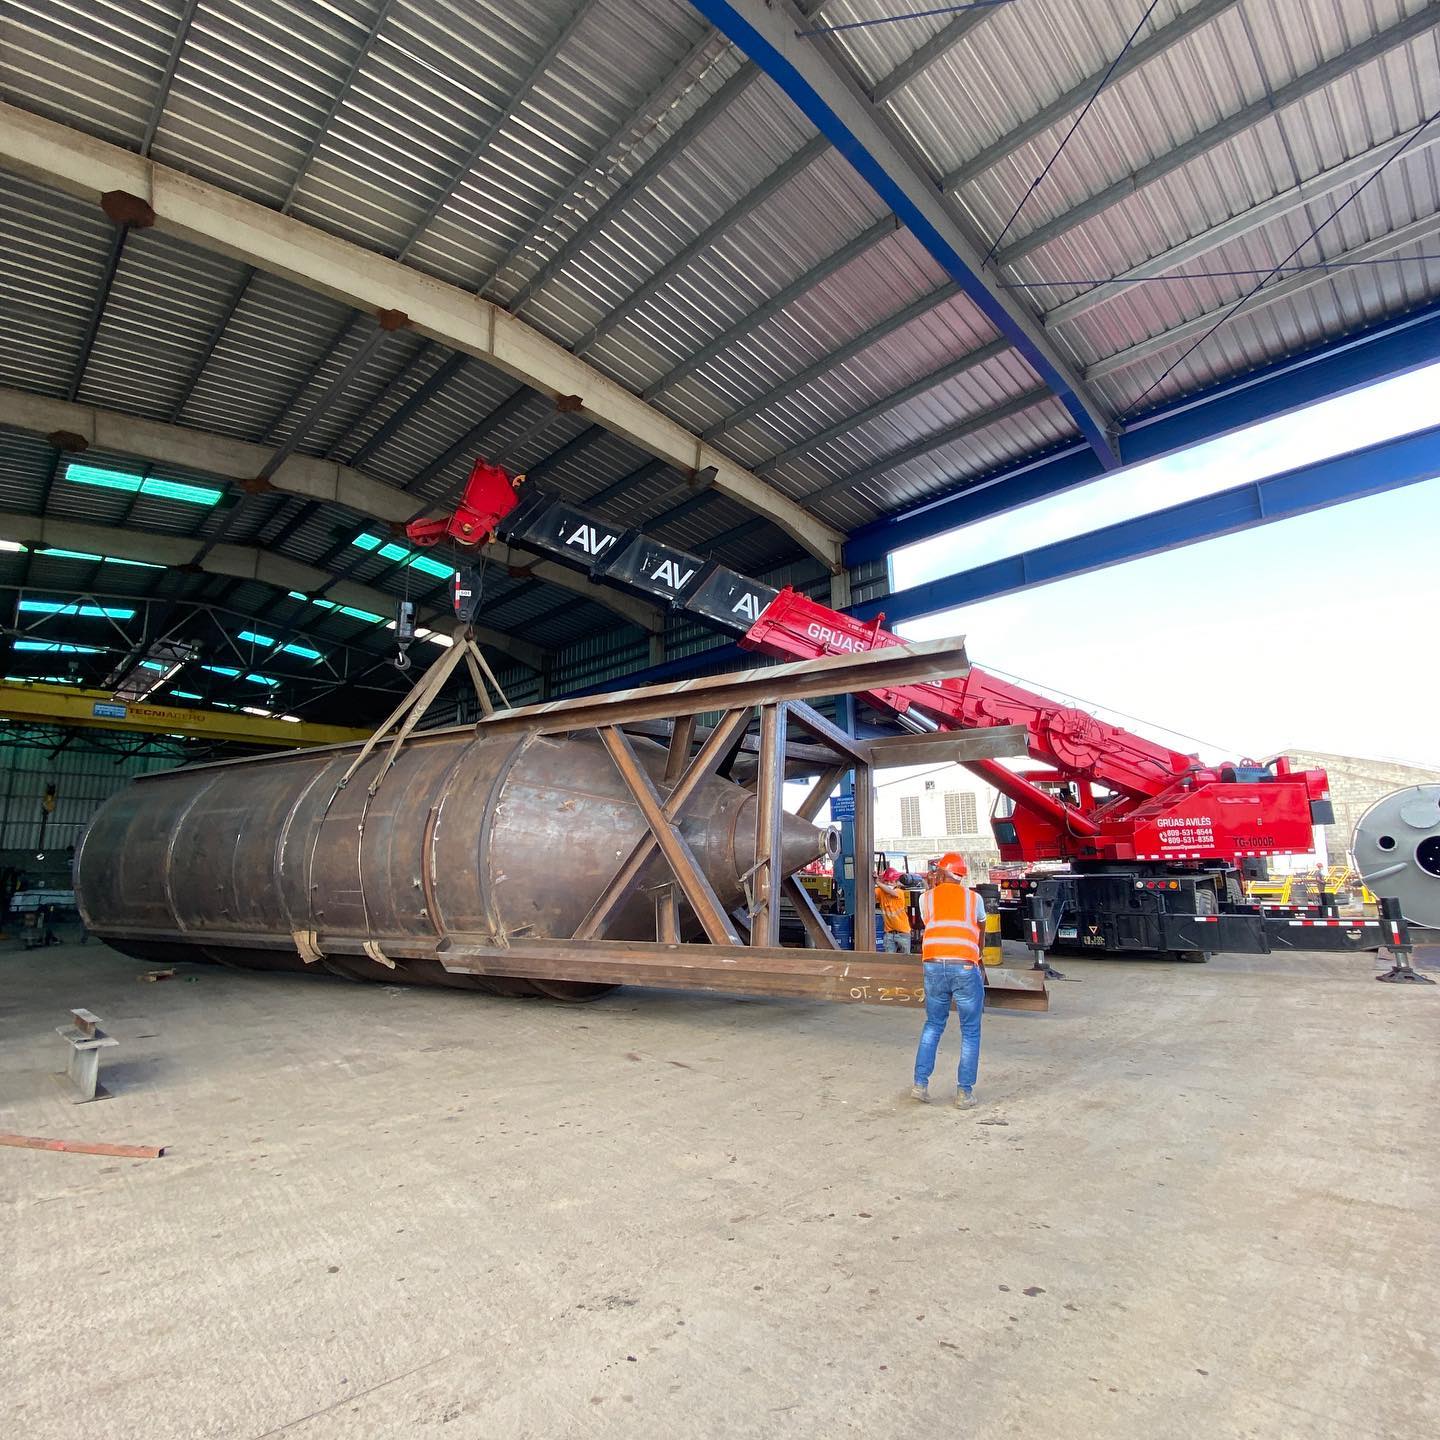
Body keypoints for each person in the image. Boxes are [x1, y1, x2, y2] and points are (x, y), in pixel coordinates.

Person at [910, 852, 986, 1109]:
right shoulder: (974, 899)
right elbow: (981, 930)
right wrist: (979, 958)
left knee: (933, 1024)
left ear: (941, 873)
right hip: (965, 965)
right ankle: (964, 1093)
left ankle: (920, 1085)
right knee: (971, 1031)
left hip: (933, 966)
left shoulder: (926, 899)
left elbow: (931, 923)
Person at [875, 867, 912, 953]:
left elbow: (892, 892)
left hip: (903, 933)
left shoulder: (899, 892)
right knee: (889, 960)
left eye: (891, 881)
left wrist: (878, 882)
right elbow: (870, 892)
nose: (889, 883)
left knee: (906, 959)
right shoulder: (881, 892)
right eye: (887, 881)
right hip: (889, 933)